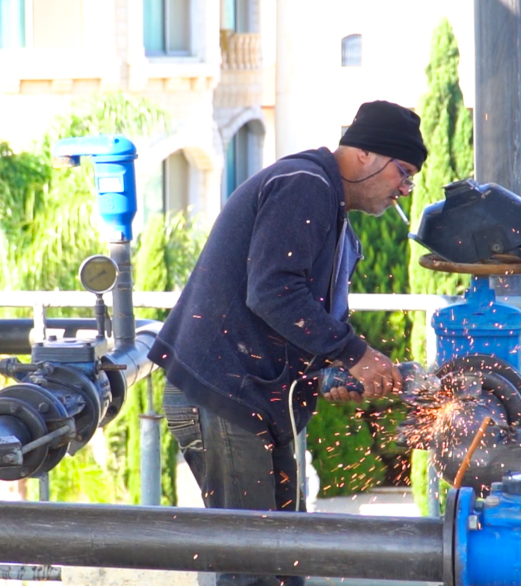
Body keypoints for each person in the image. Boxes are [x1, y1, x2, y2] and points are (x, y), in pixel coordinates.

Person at [149, 100, 426, 586]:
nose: (404, 190)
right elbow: (274, 293)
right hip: (224, 395)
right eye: (402, 172)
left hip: (248, 397)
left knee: (285, 558)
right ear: (364, 154)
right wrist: (355, 355)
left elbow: (291, 319)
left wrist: (327, 375)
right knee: (255, 565)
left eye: (411, 179)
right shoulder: (305, 184)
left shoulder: (329, 207)